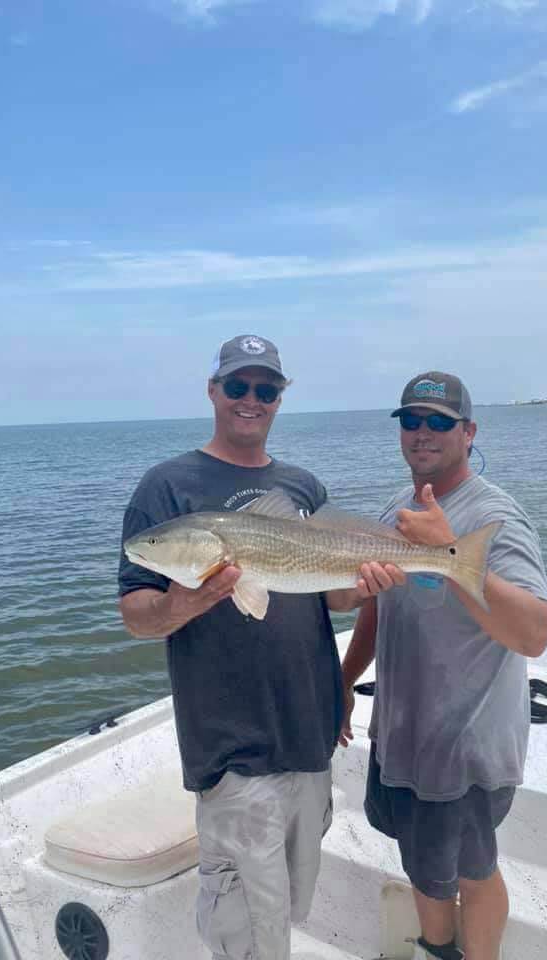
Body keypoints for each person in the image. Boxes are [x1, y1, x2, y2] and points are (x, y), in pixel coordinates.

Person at [118, 334, 404, 960]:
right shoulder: (165, 486)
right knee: (247, 925)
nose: (252, 399)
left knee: (289, 907)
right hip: (233, 743)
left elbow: (329, 598)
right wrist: (182, 601)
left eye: (266, 389)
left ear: (280, 398)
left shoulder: (301, 486)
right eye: (239, 386)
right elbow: (136, 614)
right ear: (213, 390)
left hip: (311, 731)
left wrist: (365, 588)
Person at [340, 372, 547, 960]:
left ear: (469, 432)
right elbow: (377, 609)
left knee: (471, 871)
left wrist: (451, 555)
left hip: (465, 744)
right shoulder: (398, 510)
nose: (423, 433)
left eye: (439, 422)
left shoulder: (493, 517)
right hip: (404, 737)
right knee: (424, 867)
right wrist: (344, 681)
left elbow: (534, 632)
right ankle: (439, 950)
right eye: (411, 420)